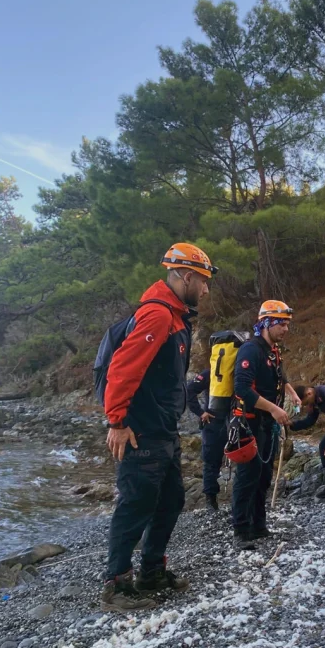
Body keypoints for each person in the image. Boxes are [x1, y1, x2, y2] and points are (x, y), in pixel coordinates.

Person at [102, 242, 215, 612]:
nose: (206, 290)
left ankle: (151, 571)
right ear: (186, 277)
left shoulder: (176, 317)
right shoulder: (157, 316)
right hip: (142, 429)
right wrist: (117, 422)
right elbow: (123, 368)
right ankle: (117, 585)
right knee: (136, 503)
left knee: (170, 499)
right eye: (203, 281)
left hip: (164, 428)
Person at [232, 301, 301, 547]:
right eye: (281, 324)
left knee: (263, 476)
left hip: (267, 422)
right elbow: (241, 388)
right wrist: (273, 408)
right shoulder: (251, 350)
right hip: (250, 422)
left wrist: (291, 392)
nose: (286, 329)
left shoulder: (273, 351)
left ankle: (259, 525)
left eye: (287, 325)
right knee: (247, 476)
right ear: (267, 324)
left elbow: (279, 375)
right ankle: (241, 530)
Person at [186, 367, 229, 512]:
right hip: (220, 421)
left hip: (218, 422)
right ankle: (211, 500)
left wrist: (200, 412)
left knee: (211, 463)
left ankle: (211, 502)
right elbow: (190, 390)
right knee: (212, 463)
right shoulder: (213, 372)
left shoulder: (213, 371)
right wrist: (200, 412)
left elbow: (190, 390)